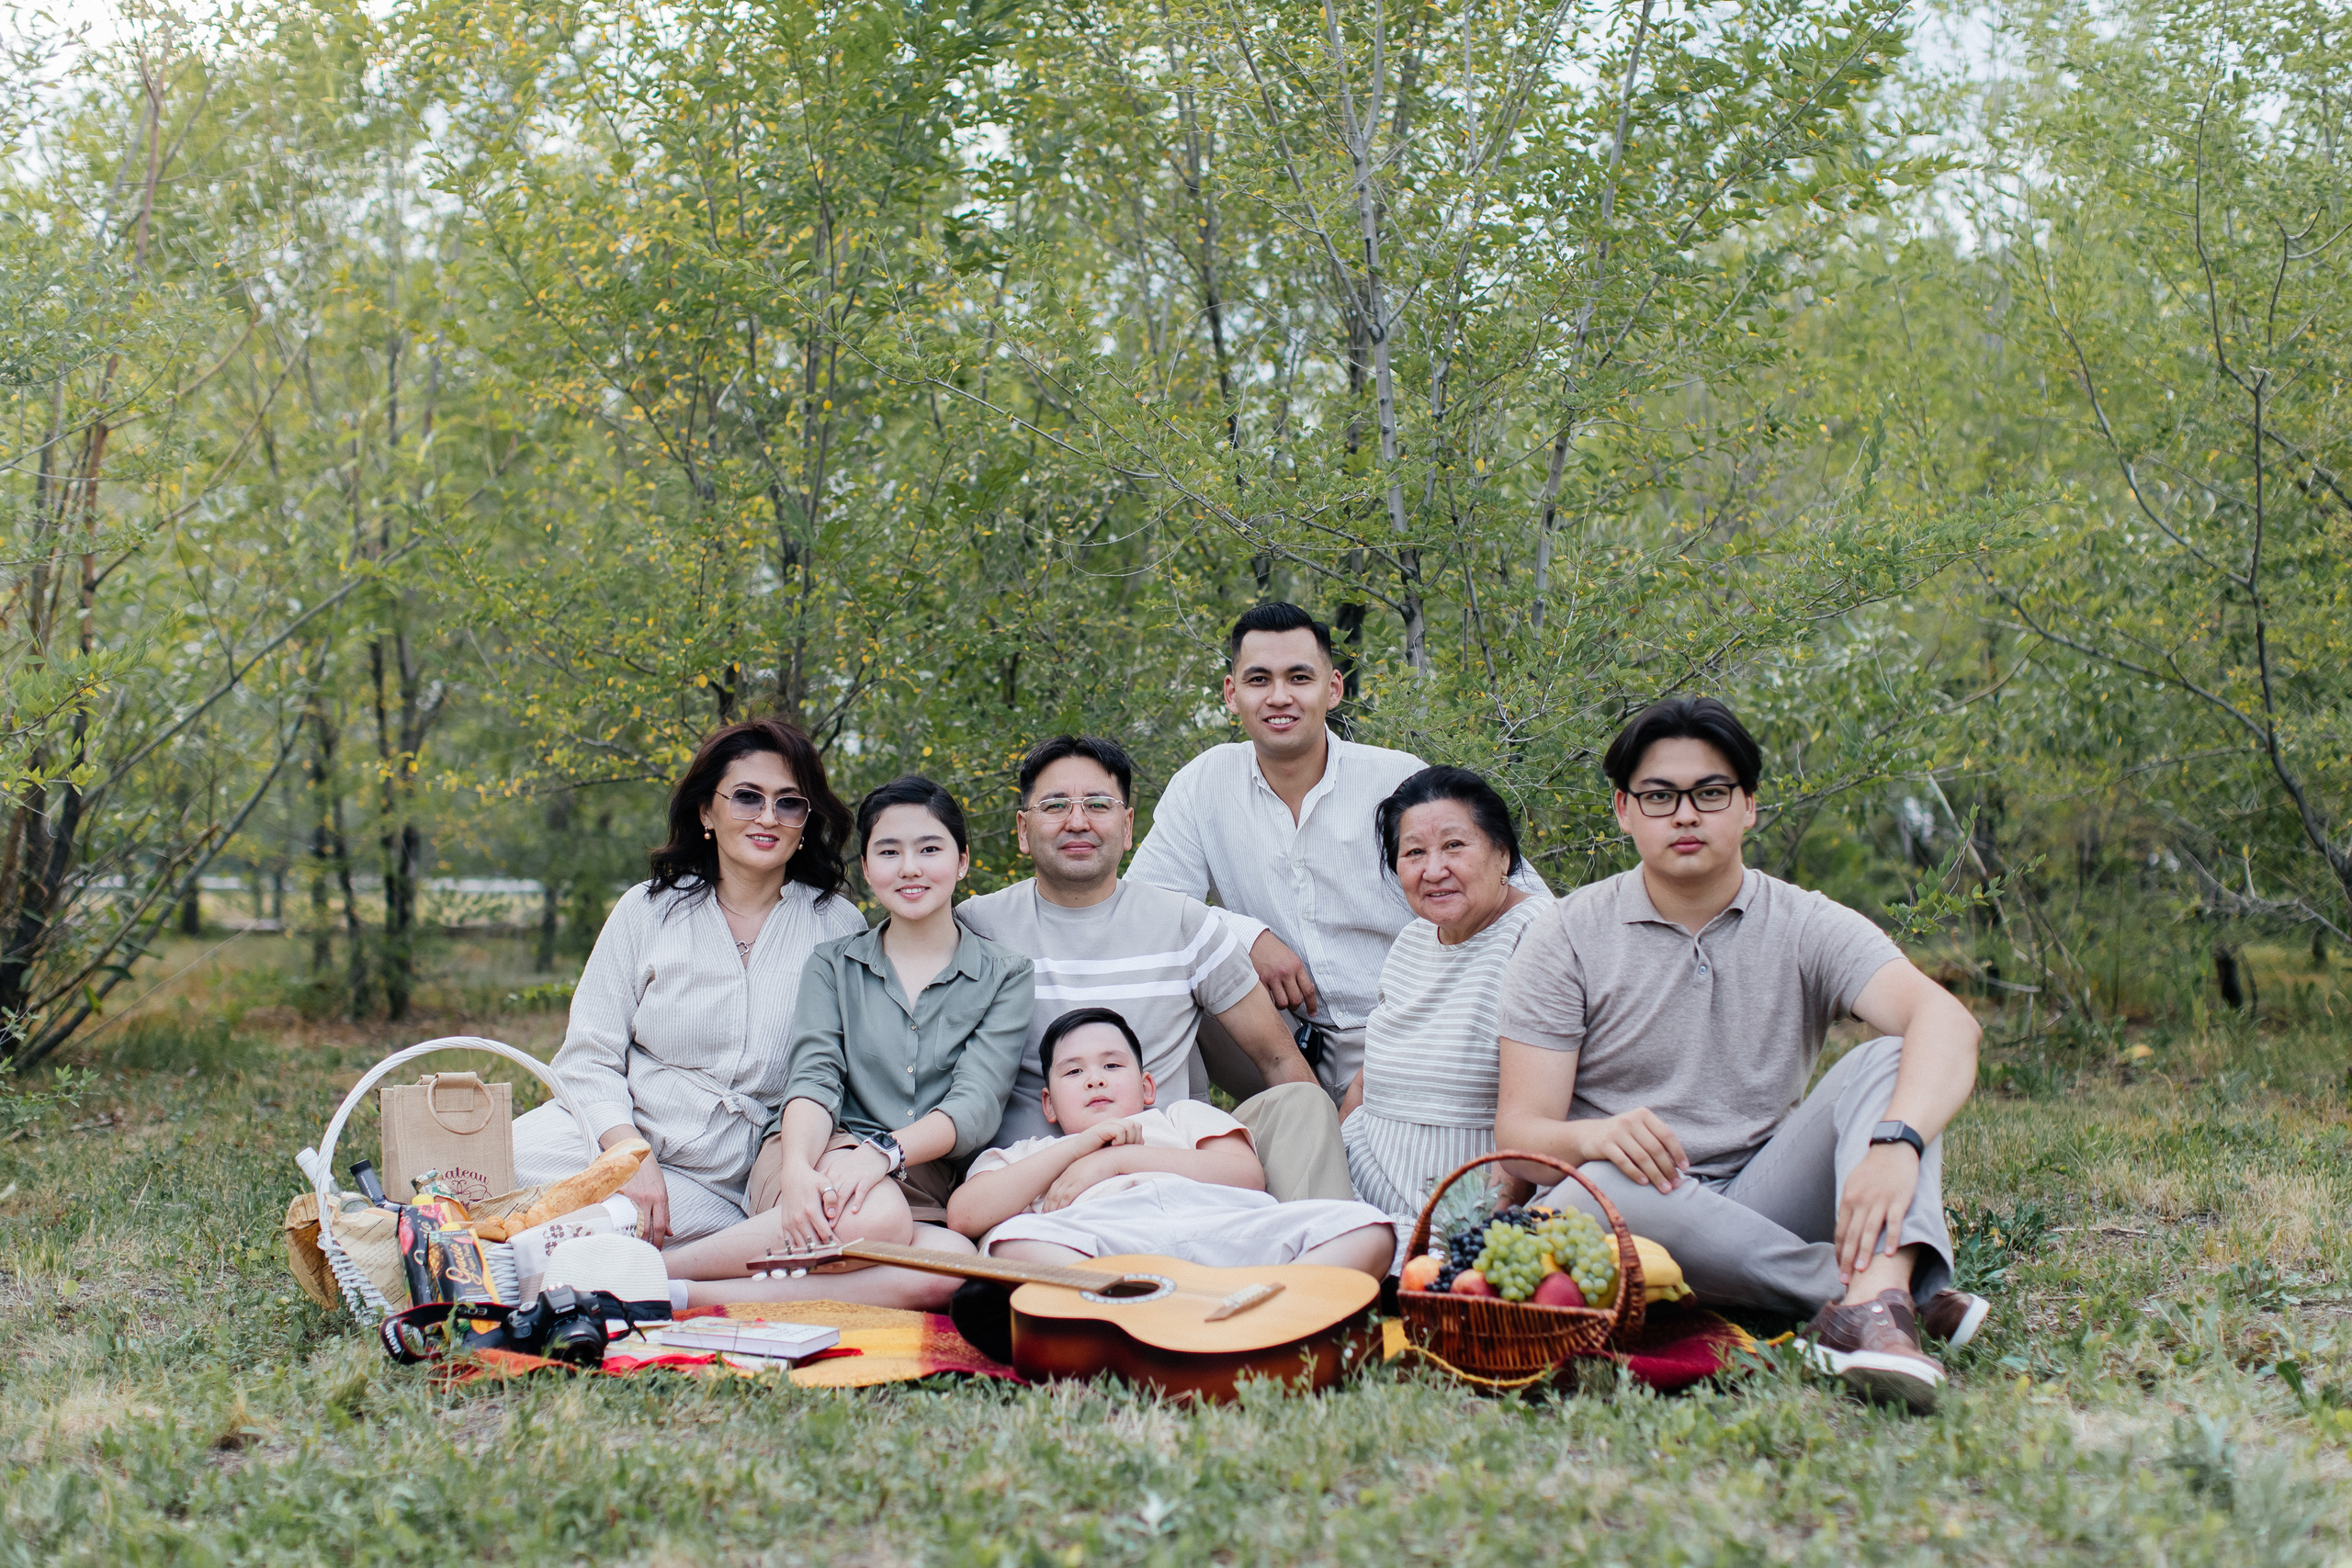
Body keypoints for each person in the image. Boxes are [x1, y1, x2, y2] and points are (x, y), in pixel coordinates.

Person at [1493, 696, 1987, 1412]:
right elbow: (1520, 1140)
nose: (1685, 814)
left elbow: (1947, 1020)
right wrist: (1592, 1134)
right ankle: (1884, 1294)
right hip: (1633, 1199)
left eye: (1711, 793)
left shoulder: (1804, 919)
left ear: (1749, 806)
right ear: (1624, 810)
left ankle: (1871, 1299)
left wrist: (1896, 1142)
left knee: (1892, 1057)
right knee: (1595, 1184)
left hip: (1771, 1191)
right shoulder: (1565, 935)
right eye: (1660, 796)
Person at [1126, 602, 1547, 1102]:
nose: (1279, 697)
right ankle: (1187, 1142)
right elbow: (1145, 905)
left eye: (1299, 678)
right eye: (1259, 680)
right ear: (1231, 693)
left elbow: (1523, 898)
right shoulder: (1202, 784)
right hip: (1272, 1042)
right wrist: (1248, 935)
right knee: (1165, 973)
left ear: (1333, 688)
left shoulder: (1396, 779)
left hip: (1406, 1030)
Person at [667, 776, 1033, 1309]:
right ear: (867, 869)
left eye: (929, 849)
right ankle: (647, 1271)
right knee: (878, 1217)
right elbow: (814, 1078)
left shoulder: (1004, 974)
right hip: (819, 1149)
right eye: (889, 851)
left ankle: (683, 1293)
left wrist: (883, 1154)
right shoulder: (834, 964)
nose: (909, 867)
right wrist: (796, 1169)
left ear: (962, 862)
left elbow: (974, 1104)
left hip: (917, 1182)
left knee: (954, 1266)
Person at [511, 717, 865, 1249]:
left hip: (723, 1178)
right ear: (707, 811)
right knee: (472, 1173)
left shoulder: (837, 925)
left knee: (616, 1238)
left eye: (788, 802)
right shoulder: (647, 909)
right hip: (607, 1135)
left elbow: (843, 1072)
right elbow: (588, 1057)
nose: (768, 817)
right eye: (747, 797)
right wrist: (627, 1156)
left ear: (805, 822)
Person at [956, 734, 1356, 1202]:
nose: (1078, 821)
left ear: (1127, 827)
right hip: (1034, 1189)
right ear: (1023, 829)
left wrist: (1333, 1153)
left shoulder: (1184, 923)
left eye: (1099, 805)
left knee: (1303, 1103)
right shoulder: (976, 929)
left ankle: (1324, 1256)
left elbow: (1278, 1058)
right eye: (1056, 805)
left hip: (1174, 1175)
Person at [948, 1007, 1395, 1278]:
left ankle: (1272, 1304)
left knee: (1366, 1229)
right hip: (1107, 1251)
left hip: (1222, 1235)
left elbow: (1245, 1175)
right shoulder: (1026, 1155)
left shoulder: (1179, 1118)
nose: (1095, 1079)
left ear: (1146, 1088)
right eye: (1073, 1071)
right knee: (1013, 1245)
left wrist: (1116, 1161)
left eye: (1112, 1065)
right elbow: (965, 1215)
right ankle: (1143, 1311)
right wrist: (1079, 1149)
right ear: (1049, 1104)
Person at [1342, 767, 1551, 1239]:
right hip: (1362, 1183)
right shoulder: (1413, 940)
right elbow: (1366, 1080)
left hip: (1459, 1207)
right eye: (1414, 852)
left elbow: (1536, 1116)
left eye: (1454, 846)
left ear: (1503, 853)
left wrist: (1476, 1239)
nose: (1433, 870)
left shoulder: (1540, 936)